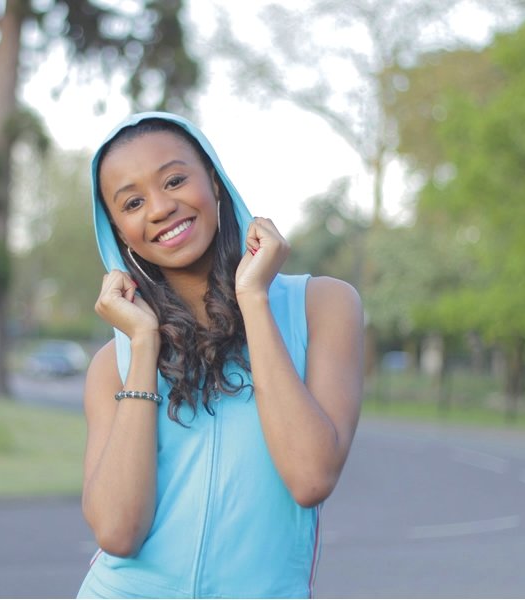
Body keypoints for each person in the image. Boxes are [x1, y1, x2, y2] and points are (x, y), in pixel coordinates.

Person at [77, 112, 363, 599]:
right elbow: (118, 533)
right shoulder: (113, 365)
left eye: (174, 180)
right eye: (133, 202)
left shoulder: (322, 306)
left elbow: (310, 477)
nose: (160, 208)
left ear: (213, 179)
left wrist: (254, 298)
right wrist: (143, 346)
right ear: (120, 231)